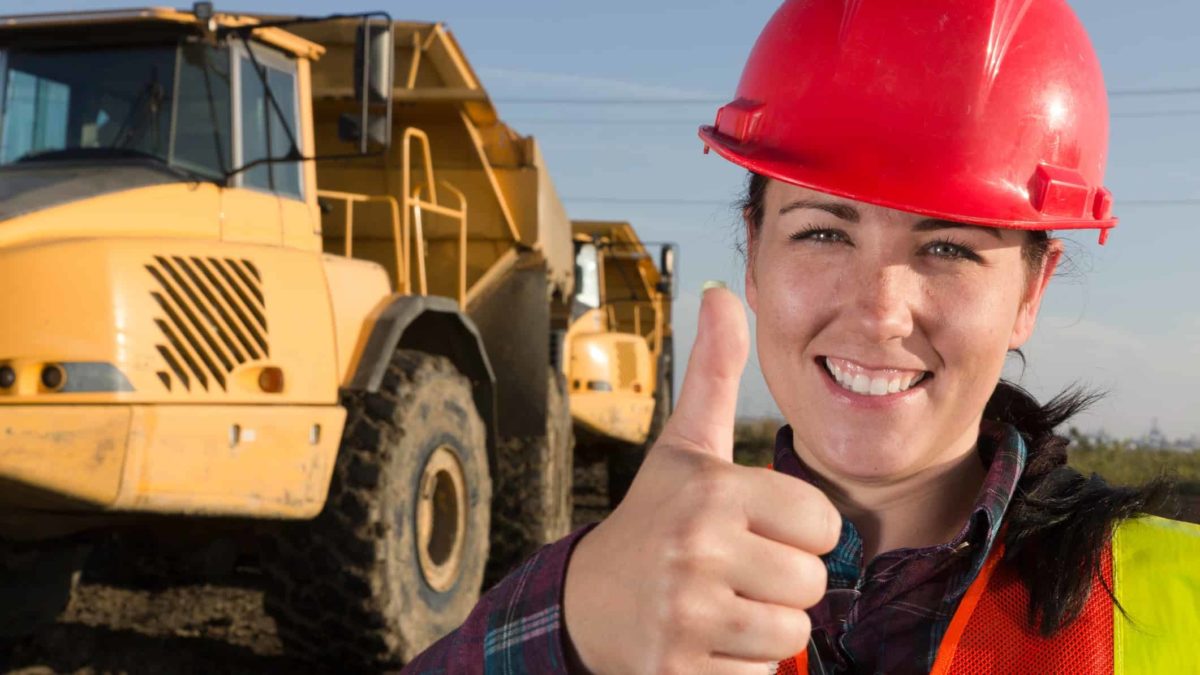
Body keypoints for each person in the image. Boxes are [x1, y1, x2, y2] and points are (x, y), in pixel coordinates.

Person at [404, 1, 1200, 672]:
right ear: (752, 252)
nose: (881, 311)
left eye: (948, 247)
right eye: (824, 232)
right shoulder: (629, 589)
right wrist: (572, 622)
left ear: (1031, 289)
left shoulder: (1171, 600)